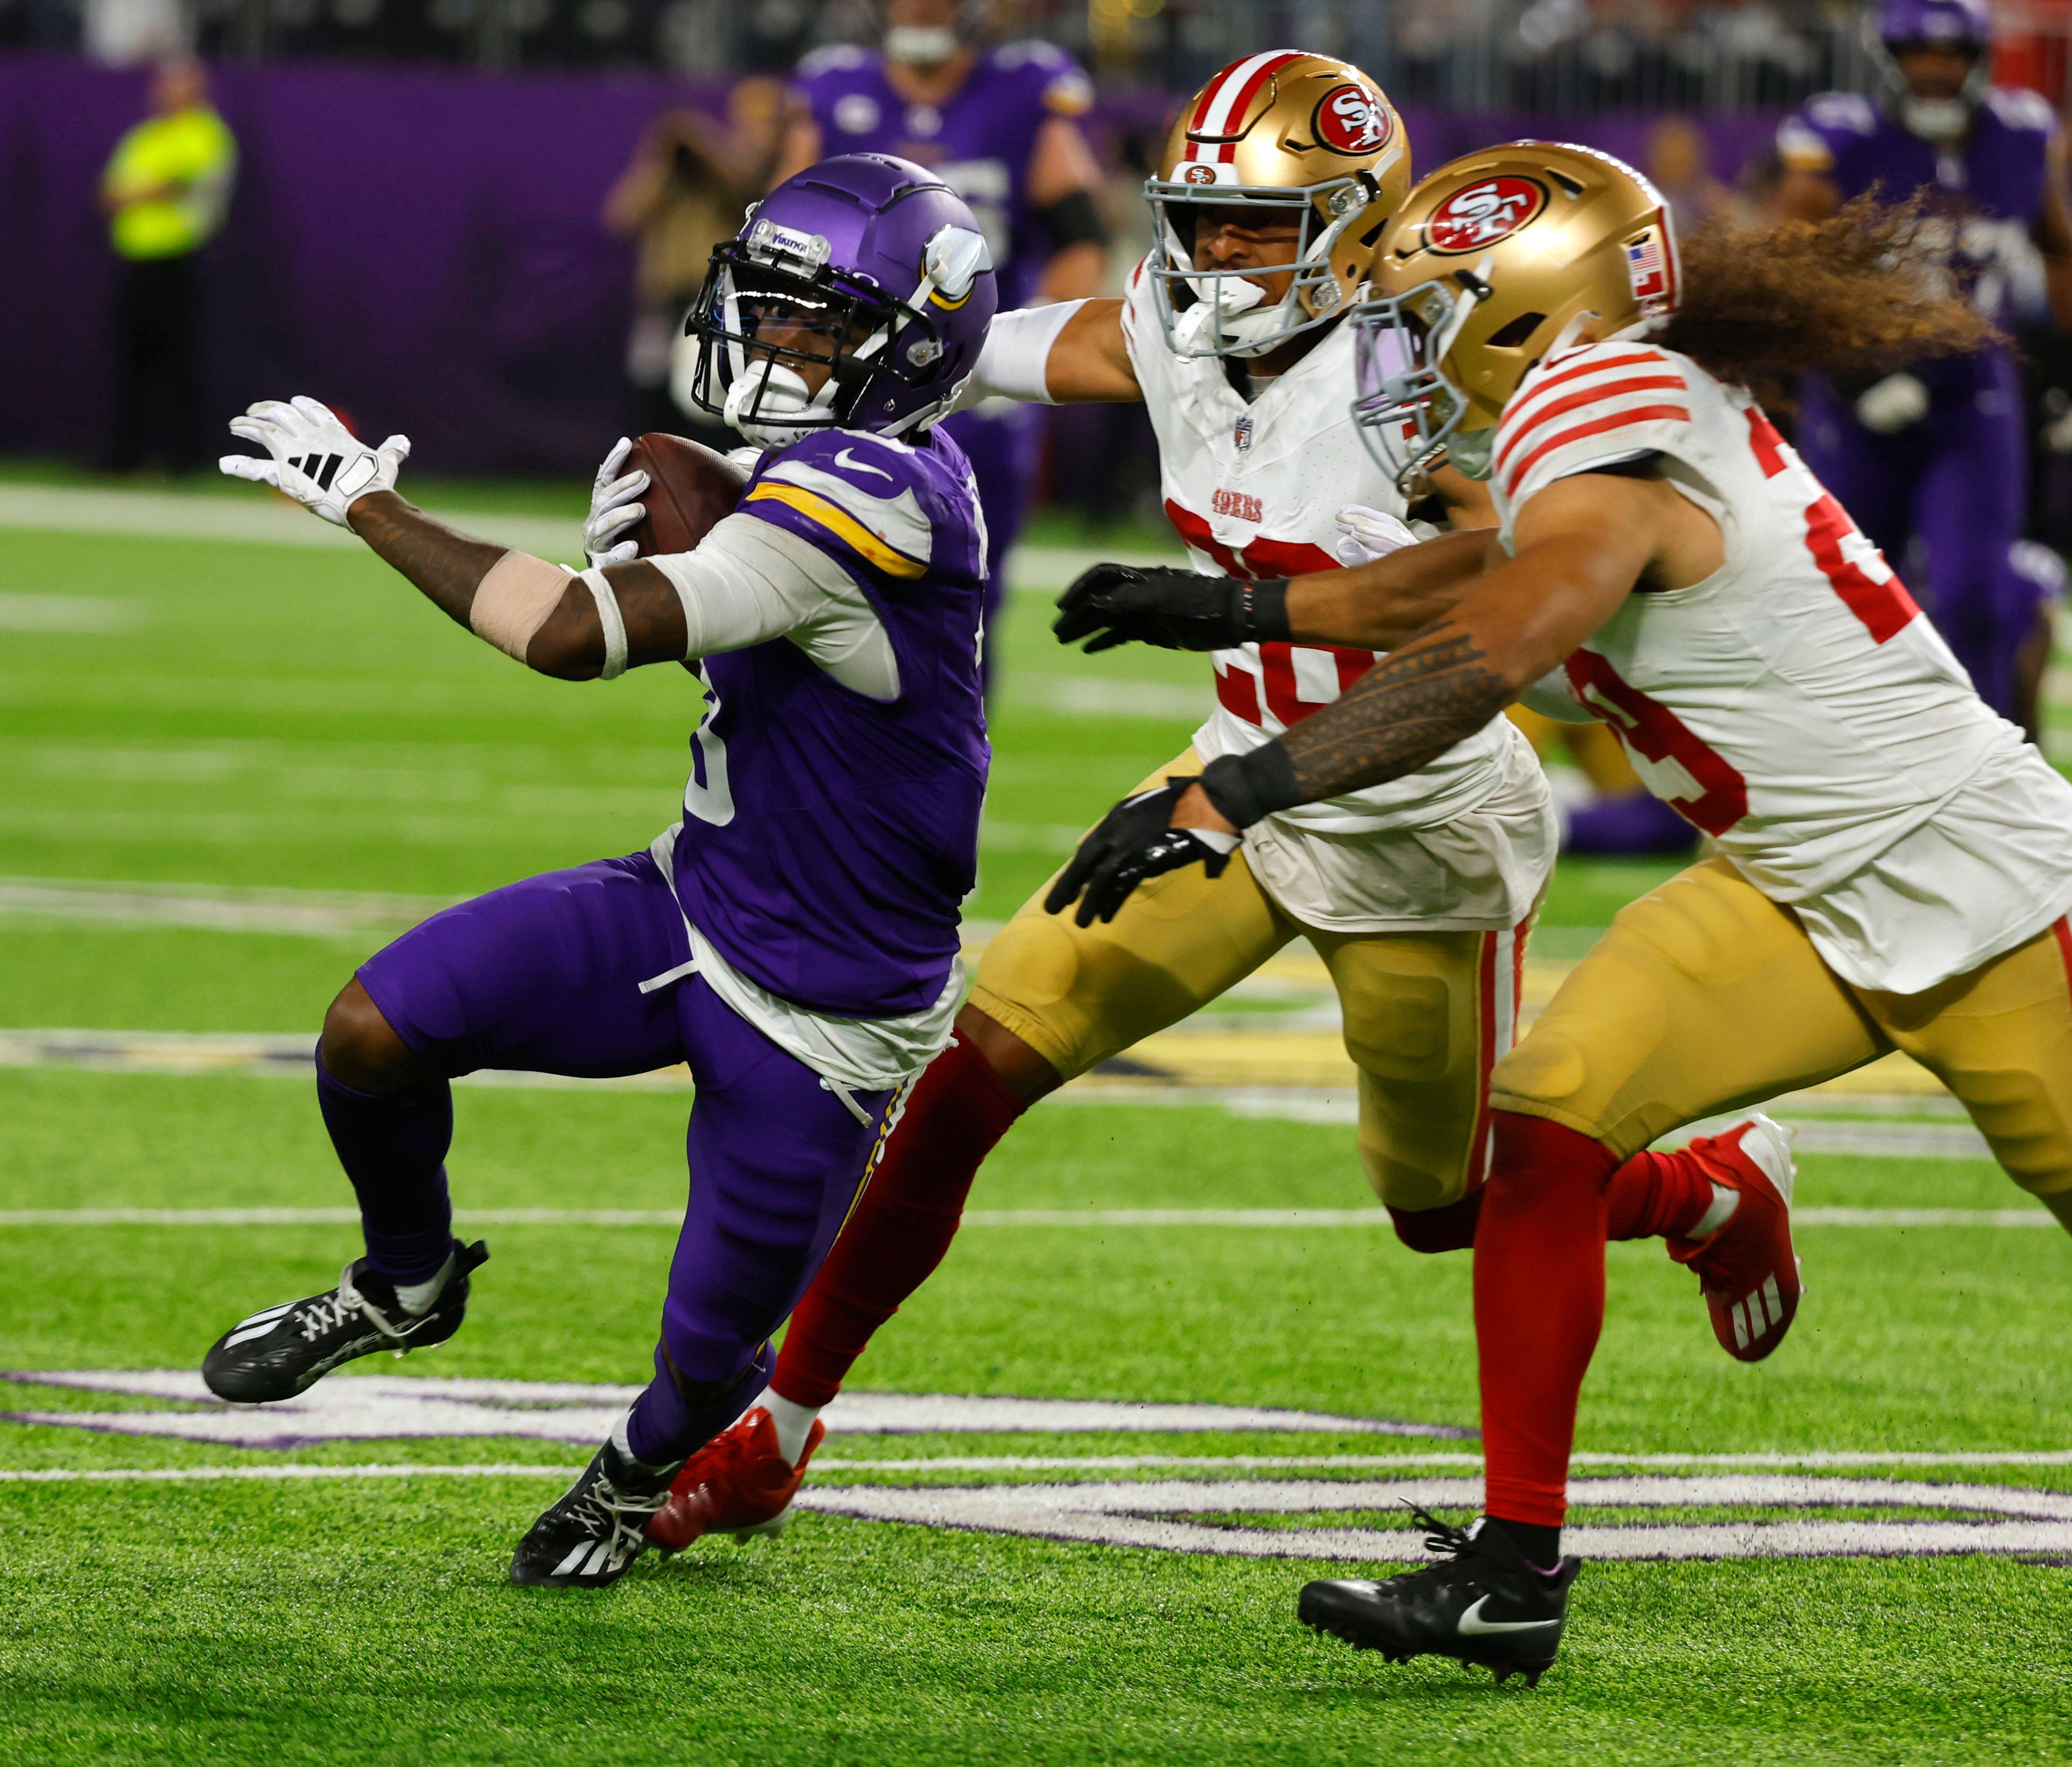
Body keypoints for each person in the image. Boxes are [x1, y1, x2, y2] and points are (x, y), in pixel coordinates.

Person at [1046, 141, 2072, 1684]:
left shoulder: (1595, 426)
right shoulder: (1594, 399)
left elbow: (1495, 637)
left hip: (1965, 881)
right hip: (1789, 885)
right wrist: (1242, 606)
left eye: (1428, 305)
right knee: (1542, 1125)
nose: (1397, 337)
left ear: (1520, 310)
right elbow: (1486, 575)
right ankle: (1511, 1569)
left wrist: (1233, 790)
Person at [639, 55, 1784, 1554]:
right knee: (971, 1073)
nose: (1220, 258)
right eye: (1202, 220)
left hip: (1415, 820)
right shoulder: (1176, 327)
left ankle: (1707, 1193)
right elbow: (994, 347)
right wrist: (827, 360)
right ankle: (779, 1427)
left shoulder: (1440, 375)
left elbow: (1516, 595)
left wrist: (1261, 598)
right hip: (1232, 777)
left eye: (1263, 228)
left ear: (1367, 227)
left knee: (1441, 1204)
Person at [197, 156, 999, 1589]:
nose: (773, 343)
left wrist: (369, 505)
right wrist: (680, 565)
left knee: (707, 1351)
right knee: (371, 1031)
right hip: (690, 897)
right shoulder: (829, 477)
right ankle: (405, 1278)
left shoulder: (877, 494)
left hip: (826, 1012)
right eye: (770, 308)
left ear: (910, 341)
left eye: (816, 325)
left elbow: (568, 636)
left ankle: (632, 1475)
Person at [1775, 0, 2072, 731]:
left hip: (1968, 387)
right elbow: (1784, 274)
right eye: (1920, 52)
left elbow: (2061, 248)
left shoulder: (2020, 136)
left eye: (1952, 54)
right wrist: (1854, 373)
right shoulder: (1844, 139)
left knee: (1974, 591)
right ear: (1891, 56)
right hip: (1856, 397)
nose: (1937, 69)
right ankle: (1842, 760)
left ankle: (1987, 770)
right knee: (1844, 596)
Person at [782, 0, 1111, 650]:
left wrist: (1015, 351)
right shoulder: (833, 88)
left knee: (963, 602)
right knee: (816, 579)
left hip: (974, 379)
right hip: (850, 376)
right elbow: (784, 236)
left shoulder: (1024, 88)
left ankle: (945, 749)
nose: (920, 7)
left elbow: (1083, 240)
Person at [604, 76, 784, 440]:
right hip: (663, 298)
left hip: (709, 297)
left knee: (702, 395)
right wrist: (662, 157)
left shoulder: (744, 165)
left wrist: (700, 145)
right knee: (651, 389)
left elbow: (746, 190)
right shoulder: (669, 176)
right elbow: (620, 217)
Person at [99, 57, 235, 475]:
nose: (165, 91)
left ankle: (183, 459)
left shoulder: (204, 133)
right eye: (163, 84)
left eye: (176, 84)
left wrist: (139, 193)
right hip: (136, 260)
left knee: (178, 361)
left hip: (178, 260)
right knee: (133, 360)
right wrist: (138, 193)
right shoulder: (144, 136)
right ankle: (125, 457)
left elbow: (178, 184)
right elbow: (110, 192)